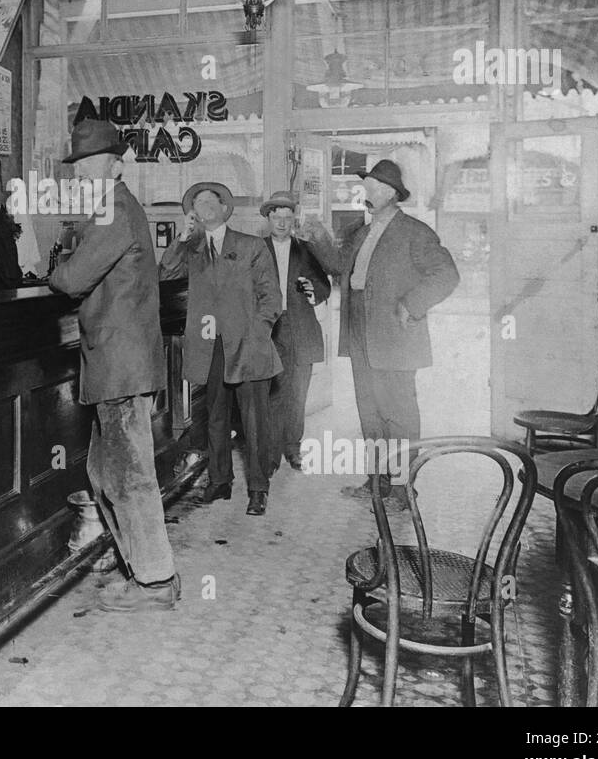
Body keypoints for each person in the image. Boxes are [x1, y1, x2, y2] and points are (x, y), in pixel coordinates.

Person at [49, 119, 178, 612]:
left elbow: (71, 279)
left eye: (87, 165)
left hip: (121, 364)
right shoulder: (111, 208)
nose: (79, 174)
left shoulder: (113, 210)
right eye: (76, 166)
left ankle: (156, 582)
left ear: (116, 165)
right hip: (117, 363)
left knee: (129, 474)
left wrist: (57, 268)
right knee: (104, 470)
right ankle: (138, 566)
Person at [302, 159, 460, 511]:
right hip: (360, 333)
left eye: (372, 188)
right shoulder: (362, 232)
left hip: (395, 337)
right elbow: (340, 266)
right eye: (366, 188)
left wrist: (412, 305)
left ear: (391, 194)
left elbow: (446, 274)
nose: (366, 193)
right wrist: (316, 235)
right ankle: (377, 483)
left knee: (399, 417)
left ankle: (404, 491)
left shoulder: (416, 233)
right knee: (370, 414)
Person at [159, 181, 281, 516]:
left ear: (225, 208)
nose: (205, 205)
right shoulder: (192, 250)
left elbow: (271, 297)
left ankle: (258, 489)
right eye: (197, 201)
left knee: (254, 422)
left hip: (248, 347)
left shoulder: (251, 245)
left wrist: (257, 334)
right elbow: (166, 272)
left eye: (212, 199)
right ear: (192, 213)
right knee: (214, 416)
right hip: (208, 345)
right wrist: (181, 239)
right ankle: (219, 480)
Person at [261, 191, 332, 473]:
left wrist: (314, 290)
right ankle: (270, 452)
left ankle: (293, 448)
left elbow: (324, 287)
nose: (282, 222)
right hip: (269, 329)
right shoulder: (256, 248)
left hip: (300, 327)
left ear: (294, 220)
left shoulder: (305, 249)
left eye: (287, 218)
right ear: (268, 218)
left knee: (297, 392)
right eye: (277, 217)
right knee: (273, 391)